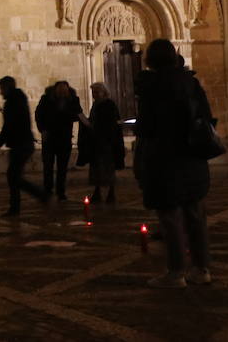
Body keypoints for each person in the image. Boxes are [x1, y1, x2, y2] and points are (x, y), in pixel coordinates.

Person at [133, 39, 212, 288]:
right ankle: (201, 269)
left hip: (165, 158)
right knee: (195, 214)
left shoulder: (152, 87)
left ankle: (176, 272)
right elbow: (207, 117)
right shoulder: (191, 83)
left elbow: (146, 126)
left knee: (169, 215)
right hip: (193, 157)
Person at [0, 75, 47, 216]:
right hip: (21, 143)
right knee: (13, 176)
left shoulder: (14, 101)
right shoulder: (17, 99)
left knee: (13, 176)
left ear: (7, 87)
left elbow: (10, 124)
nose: (0, 92)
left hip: (21, 144)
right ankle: (17, 206)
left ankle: (39, 196)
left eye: (1, 88)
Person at [77, 82, 125, 204]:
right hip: (96, 141)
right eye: (93, 92)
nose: (94, 95)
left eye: (97, 92)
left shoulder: (109, 105)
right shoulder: (96, 105)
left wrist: (95, 127)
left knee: (108, 167)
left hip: (107, 142)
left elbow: (110, 124)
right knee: (96, 167)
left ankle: (110, 193)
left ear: (103, 92)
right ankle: (98, 192)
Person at [35, 80, 82, 200]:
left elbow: (78, 114)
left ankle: (61, 191)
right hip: (49, 137)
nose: (62, 92)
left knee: (62, 167)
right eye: (60, 89)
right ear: (55, 90)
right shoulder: (46, 99)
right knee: (48, 166)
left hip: (64, 138)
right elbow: (38, 114)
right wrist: (42, 129)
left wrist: (65, 111)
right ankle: (48, 190)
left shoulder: (73, 100)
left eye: (64, 90)